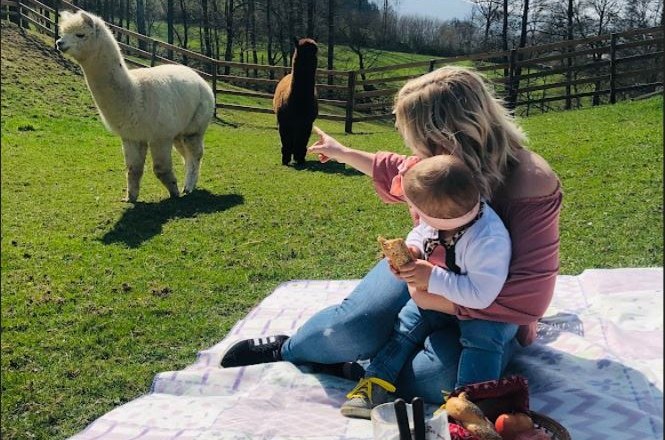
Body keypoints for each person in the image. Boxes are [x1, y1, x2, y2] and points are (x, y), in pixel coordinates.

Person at [221, 65, 562, 407]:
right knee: (353, 327)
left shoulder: (529, 181)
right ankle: (290, 347)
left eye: (419, 141)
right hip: (424, 269)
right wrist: (343, 152)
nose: (416, 153)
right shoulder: (435, 165)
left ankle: (363, 368)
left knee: (440, 381)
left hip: (486, 300)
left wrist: (435, 299)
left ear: (448, 136)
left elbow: (529, 297)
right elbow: (394, 167)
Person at [341, 154, 514, 419]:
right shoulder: (440, 221)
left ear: (440, 218)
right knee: (405, 326)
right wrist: (413, 250)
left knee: (483, 340)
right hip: (439, 300)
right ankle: (375, 381)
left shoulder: (488, 238)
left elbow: (481, 296)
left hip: (482, 310)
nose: (418, 220)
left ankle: (470, 405)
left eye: (421, 215)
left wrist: (431, 277)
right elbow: (422, 233)